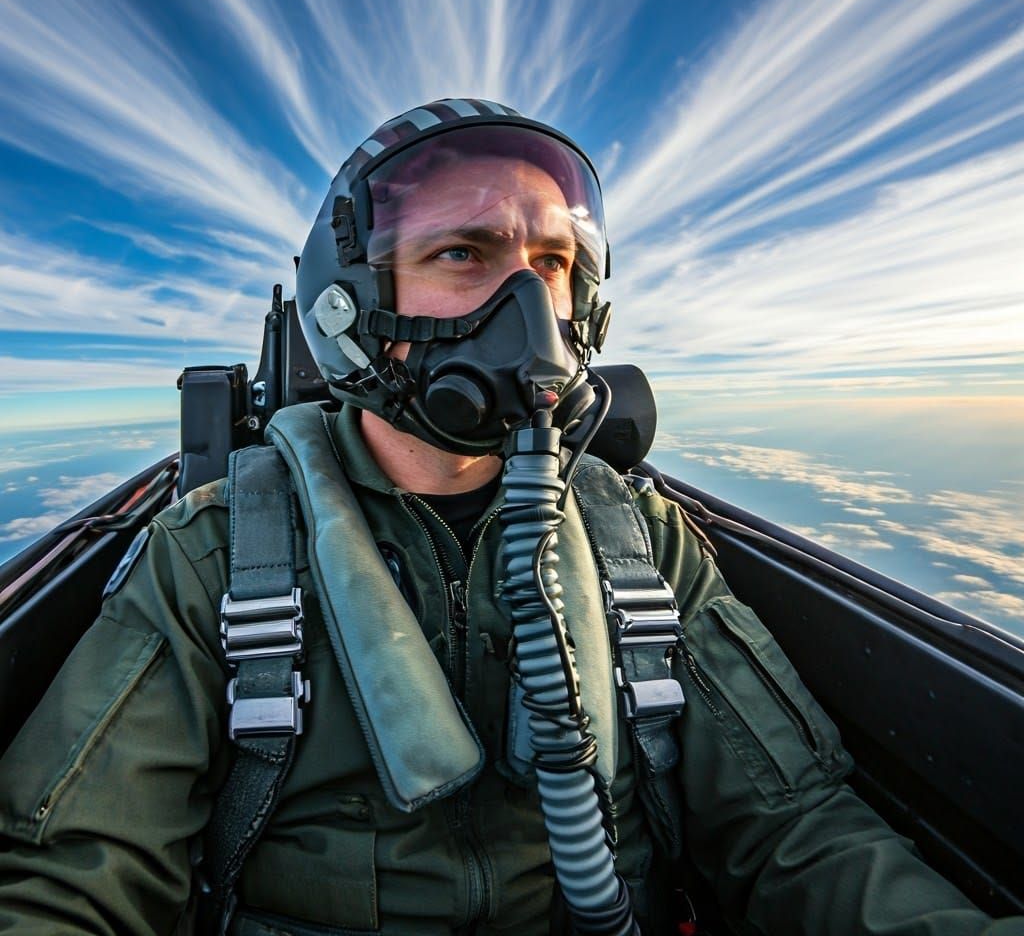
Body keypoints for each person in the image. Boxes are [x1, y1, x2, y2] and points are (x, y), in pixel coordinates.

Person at [0, 98, 1019, 936]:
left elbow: (796, 830)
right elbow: (75, 876)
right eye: (463, 253)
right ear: (347, 305)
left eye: (553, 262)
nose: (530, 308)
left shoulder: (640, 543)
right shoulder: (218, 553)